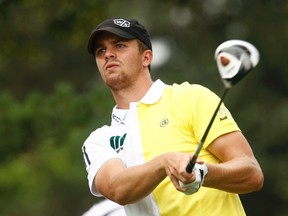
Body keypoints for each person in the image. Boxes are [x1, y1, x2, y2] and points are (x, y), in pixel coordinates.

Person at [82, 17, 264, 216]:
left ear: (146, 57)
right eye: (101, 51)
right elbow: (117, 189)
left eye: (120, 45)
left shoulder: (191, 97)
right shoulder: (99, 140)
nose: (108, 54)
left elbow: (251, 173)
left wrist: (203, 174)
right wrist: (164, 163)